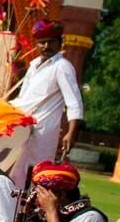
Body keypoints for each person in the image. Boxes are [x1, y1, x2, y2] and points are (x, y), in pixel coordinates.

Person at [9, 20, 84, 186]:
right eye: (42, 42)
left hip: (43, 131)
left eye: (51, 42)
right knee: (15, 173)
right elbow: (24, 97)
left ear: (59, 43)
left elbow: (74, 102)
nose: (46, 46)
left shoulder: (62, 66)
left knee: (35, 174)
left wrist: (71, 133)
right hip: (21, 127)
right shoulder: (34, 64)